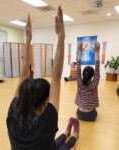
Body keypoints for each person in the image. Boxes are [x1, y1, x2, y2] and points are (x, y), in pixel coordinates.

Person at [6, 6, 79, 150]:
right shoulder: (47, 123)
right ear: (45, 103)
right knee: (66, 146)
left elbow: (24, 75)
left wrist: (27, 40)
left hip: (47, 144)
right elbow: (56, 77)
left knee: (55, 142)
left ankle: (65, 132)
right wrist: (61, 36)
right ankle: (74, 134)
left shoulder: (12, 118)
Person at [75, 42, 100, 121]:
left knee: (80, 106)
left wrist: (80, 52)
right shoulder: (95, 83)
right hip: (91, 116)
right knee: (95, 109)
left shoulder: (79, 82)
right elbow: (97, 68)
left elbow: (78, 67)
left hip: (80, 115)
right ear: (93, 76)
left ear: (82, 74)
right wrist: (97, 52)